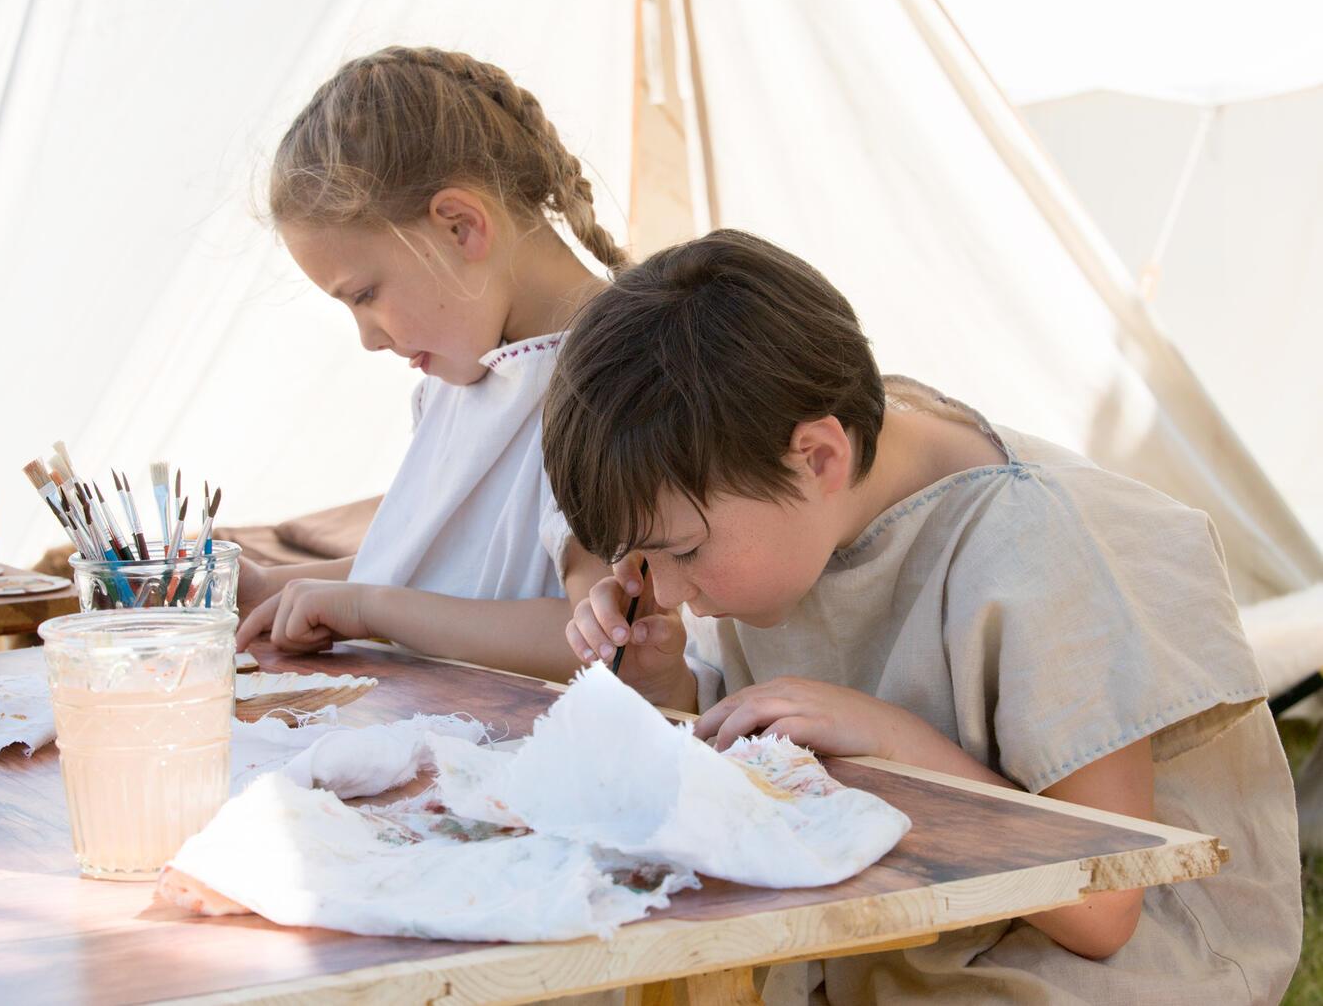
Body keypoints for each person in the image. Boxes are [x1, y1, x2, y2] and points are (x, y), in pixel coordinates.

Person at [545, 229, 1301, 1002]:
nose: (665, 589)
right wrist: (663, 671)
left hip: (1094, 963)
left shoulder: (1029, 544)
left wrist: (889, 742)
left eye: (684, 552)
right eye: (642, 562)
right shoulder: (770, 496)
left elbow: (1106, 908)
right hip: (909, 925)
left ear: (818, 459)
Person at [235, 46, 616, 682]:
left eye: (364, 294)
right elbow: (440, 567)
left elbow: (600, 641)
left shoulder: (614, 382)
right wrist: (264, 583)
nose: (367, 338)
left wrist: (370, 609)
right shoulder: (465, 373)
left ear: (460, 227)